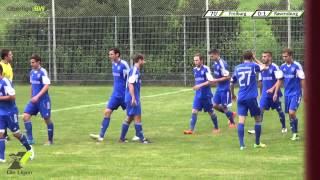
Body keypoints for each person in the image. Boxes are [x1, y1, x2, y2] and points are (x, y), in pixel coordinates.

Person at [90, 48, 130, 142]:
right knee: (107, 112)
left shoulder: (124, 64)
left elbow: (130, 77)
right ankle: (101, 136)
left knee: (132, 115)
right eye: (109, 54)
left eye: (111, 54)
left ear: (117, 54)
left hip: (124, 95)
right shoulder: (113, 64)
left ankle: (137, 134)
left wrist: (130, 92)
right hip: (115, 95)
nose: (110, 56)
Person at [231, 50, 266, 150]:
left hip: (241, 97)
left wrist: (233, 94)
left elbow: (231, 83)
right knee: (258, 119)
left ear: (243, 58)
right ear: (251, 58)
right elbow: (263, 67)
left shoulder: (237, 68)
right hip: (251, 97)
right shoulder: (253, 65)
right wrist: (255, 59)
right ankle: (257, 143)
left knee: (241, 121)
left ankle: (242, 145)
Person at [0, 65, 34, 163]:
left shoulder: (6, 82)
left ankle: (29, 149)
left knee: (16, 134)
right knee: (0, 133)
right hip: (0, 112)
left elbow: (12, 97)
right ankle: (1, 158)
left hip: (10, 112)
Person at [248, 51, 287, 134]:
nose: (263, 58)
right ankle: (257, 129)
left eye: (265, 56)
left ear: (270, 57)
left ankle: (284, 127)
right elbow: (260, 68)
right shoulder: (262, 67)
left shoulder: (275, 67)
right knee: (260, 111)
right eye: (262, 56)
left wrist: (273, 90)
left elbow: (280, 80)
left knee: (279, 111)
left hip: (274, 94)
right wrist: (254, 58)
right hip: (265, 95)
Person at [184, 53, 220, 135]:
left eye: (197, 60)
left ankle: (216, 127)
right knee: (194, 111)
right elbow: (198, 81)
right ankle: (191, 130)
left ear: (201, 60)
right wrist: (196, 87)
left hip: (206, 95)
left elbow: (210, 81)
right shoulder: (194, 70)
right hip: (198, 95)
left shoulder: (206, 69)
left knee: (211, 112)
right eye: (194, 60)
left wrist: (199, 85)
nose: (195, 62)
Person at [119, 54, 150, 143]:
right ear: (139, 60)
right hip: (132, 97)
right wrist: (133, 97)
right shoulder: (134, 70)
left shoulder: (135, 70)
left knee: (129, 118)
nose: (144, 62)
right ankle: (142, 139)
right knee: (137, 117)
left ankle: (122, 138)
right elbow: (130, 84)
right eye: (143, 60)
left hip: (130, 97)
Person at [23, 54, 54, 145]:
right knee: (25, 116)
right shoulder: (32, 72)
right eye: (31, 63)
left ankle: (50, 140)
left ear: (38, 62)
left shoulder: (43, 72)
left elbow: (46, 86)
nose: (31, 64)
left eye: (33, 62)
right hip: (34, 100)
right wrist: (32, 96)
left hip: (43, 100)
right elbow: (32, 85)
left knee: (46, 119)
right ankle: (30, 139)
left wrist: (37, 96)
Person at [279, 48, 305, 141]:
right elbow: (280, 80)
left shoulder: (297, 66)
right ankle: (294, 132)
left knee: (292, 112)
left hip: (296, 93)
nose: (284, 58)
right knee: (290, 114)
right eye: (283, 56)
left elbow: (302, 79)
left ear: (290, 56)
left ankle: (295, 132)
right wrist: (275, 92)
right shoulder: (282, 67)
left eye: (286, 56)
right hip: (287, 94)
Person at [209, 49, 236, 128]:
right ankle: (231, 114)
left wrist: (216, 80)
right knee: (214, 105)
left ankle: (233, 123)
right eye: (210, 56)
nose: (211, 58)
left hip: (225, 88)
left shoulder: (222, 64)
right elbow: (218, 75)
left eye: (212, 56)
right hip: (219, 88)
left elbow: (227, 77)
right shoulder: (215, 64)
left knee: (224, 107)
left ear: (217, 54)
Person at [0, 49, 14, 141]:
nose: (12, 55)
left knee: (7, 112)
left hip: (9, 91)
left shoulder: (8, 65)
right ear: (5, 56)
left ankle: (5, 133)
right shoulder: (0, 65)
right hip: (2, 91)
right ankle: (4, 134)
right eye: (10, 54)